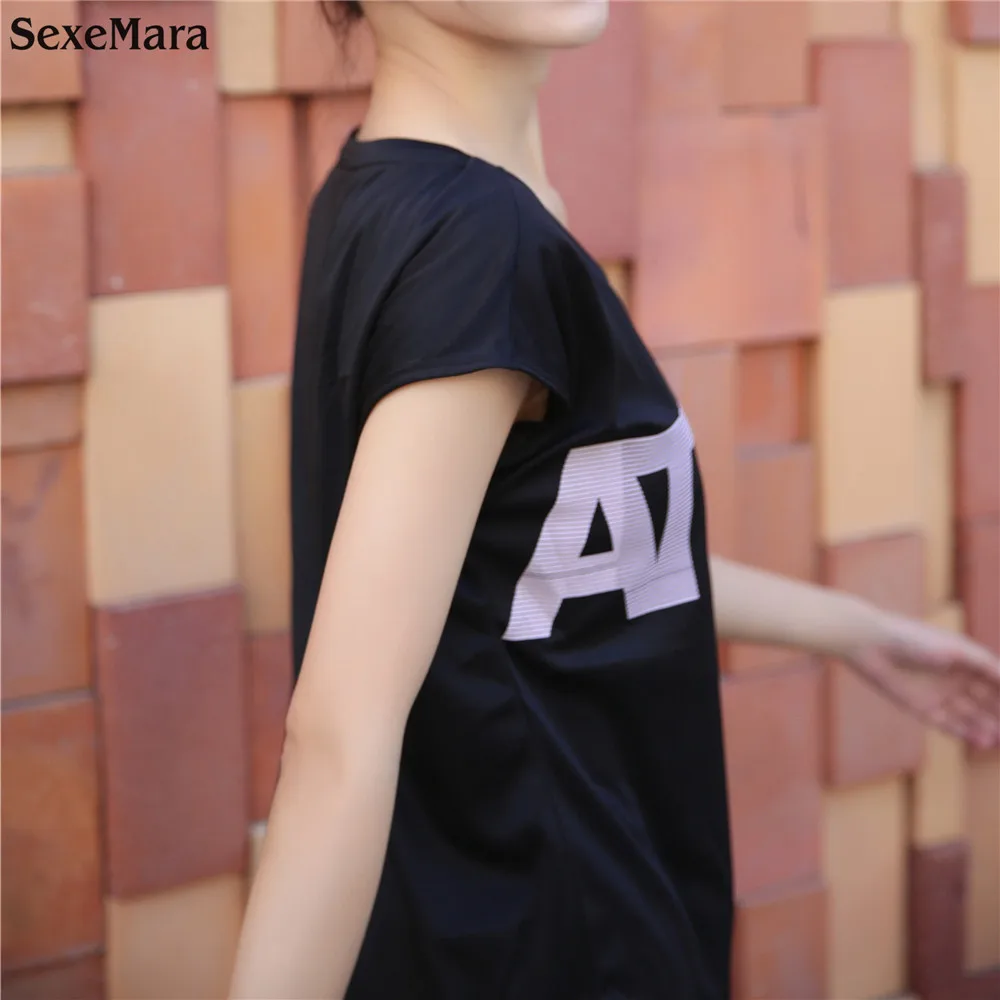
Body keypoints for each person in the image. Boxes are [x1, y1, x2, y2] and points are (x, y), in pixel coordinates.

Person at [228, 3, 1000, 998]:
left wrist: (853, 630)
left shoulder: (388, 187)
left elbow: (542, 566)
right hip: (556, 938)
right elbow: (338, 734)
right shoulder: (480, 241)